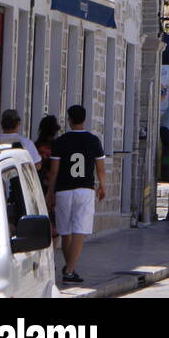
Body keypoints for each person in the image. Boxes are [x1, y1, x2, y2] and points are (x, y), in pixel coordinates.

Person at [47, 104, 106, 284]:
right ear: (84, 119)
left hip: (64, 190)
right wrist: (103, 186)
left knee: (65, 232)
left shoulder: (60, 142)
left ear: (70, 120)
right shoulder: (93, 141)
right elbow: (100, 169)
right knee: (80, 231)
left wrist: (50, 191)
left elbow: (54, 171)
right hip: (85, 189)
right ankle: (70, 270)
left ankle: (69, 269)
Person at [35, 115, 61, 246]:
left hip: (37, 186)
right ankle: (52, 255)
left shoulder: (35, 146)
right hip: (53, 186)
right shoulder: (58, 147)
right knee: (54, 225)